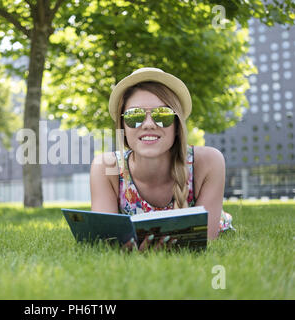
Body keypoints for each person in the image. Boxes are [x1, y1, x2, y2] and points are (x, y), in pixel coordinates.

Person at [90, 67, 234, 251]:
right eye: (135, 116)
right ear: (123, 127)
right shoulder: (105, 166)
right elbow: (105, 239)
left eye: (162, 115)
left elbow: (205, 238)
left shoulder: (208, 162)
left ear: (176, 125)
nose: (149, 124)